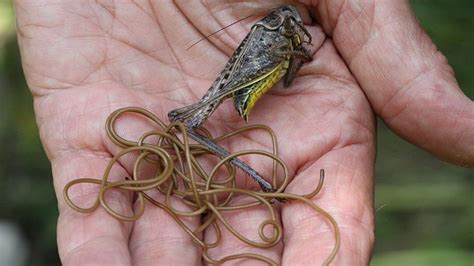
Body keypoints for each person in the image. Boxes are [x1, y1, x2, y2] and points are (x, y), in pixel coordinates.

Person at [14, 1, 473, 265]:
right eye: (286, 22)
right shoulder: (273, 34)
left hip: (259, 72)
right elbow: (288, 66)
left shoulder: (284, 29)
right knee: (197, 117)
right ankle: (218, 151)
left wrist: (295, 50)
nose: (290, 23)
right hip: (240, 80)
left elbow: (295, 69)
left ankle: (215, 151)